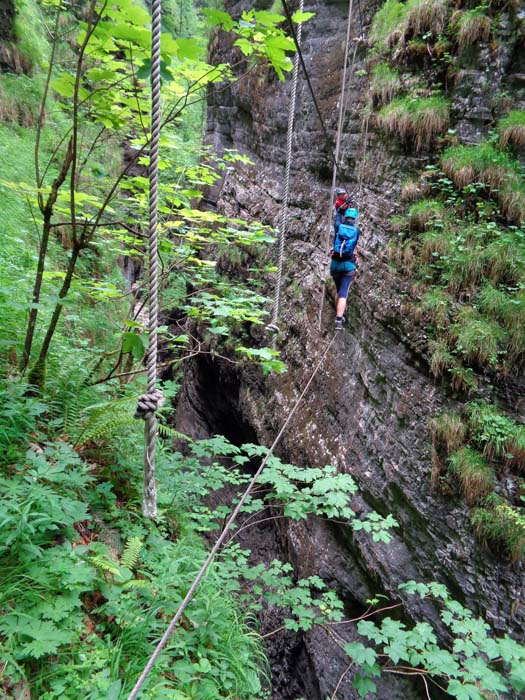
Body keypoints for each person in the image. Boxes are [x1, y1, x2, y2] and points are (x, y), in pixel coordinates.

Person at [330, 207, 360, 330]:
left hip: (335, 266)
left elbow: (337, 216)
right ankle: (338, 319)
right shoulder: (356, 230)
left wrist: (342, 208)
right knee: (343, 293)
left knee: (339, 291)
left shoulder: (338, 227)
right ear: (355, 219)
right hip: (348, 267)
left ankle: (338, 314)